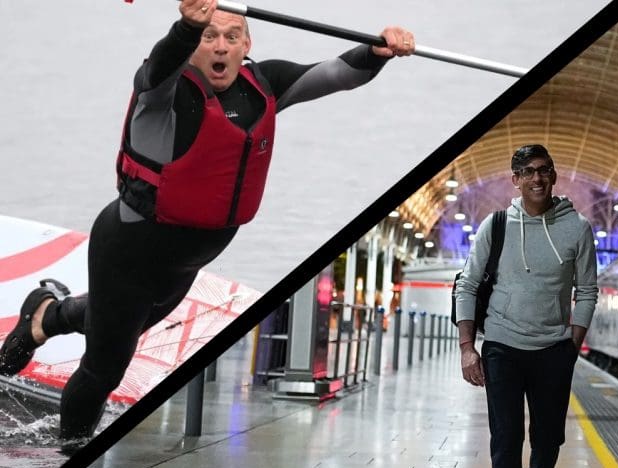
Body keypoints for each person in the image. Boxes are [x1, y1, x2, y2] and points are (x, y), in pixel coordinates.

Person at [0, 0, 415, 444]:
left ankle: (43, 315)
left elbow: (335, 73)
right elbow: (159, 65)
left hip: (182, 267)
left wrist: (377, 51)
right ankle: (69, 460)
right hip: (129, 250)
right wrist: (184, 27)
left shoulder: (265, 84)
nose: (220, 46)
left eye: (231, 36)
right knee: (104, 369)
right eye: (207, 36)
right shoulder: (163, 90)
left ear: (246, 43)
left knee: (117, 322)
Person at [454, 144, 598, 468]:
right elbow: (467, 285)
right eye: (529, 172)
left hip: (554, 348)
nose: (538, 179)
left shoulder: (578, 228)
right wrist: (468, 348)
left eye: (545, 171)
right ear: (514, 178)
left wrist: (571, 344)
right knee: (505, 439)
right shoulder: (495, 226)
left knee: (549, 438)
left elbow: (587, 290)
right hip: (501, 346)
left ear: (554, 176)